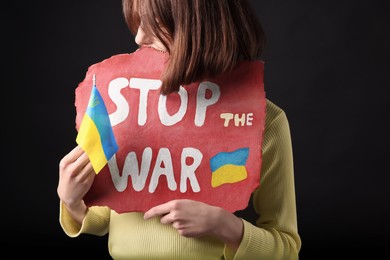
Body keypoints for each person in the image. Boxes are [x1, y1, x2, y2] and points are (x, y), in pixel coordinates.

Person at [57, 0, 302, 259]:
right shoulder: (122, 104)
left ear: (199, 27)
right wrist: (73, 202)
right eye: (138, 21)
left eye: (155, 23)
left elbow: (286, 247)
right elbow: (108, 217)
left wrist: (225, 226)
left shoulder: (263, 121)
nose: (139, 36)